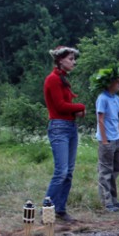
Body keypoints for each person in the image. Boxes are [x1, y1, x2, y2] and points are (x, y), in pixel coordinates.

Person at [44, 46, 85, 223]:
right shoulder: (53, 79)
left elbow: (64, 107)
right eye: (70, 59)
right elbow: (59, 106)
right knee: (61, 171)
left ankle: (60, 209)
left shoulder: (62, 80)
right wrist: (80, 107)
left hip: (69, 126)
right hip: (59, 127)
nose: (73, 62)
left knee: (68, 172)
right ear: (60, 60)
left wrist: (75, 112)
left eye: (74, 59)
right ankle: (46, 211)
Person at [92, 61, 119, 212]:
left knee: (115, 170)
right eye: (117, 82)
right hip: (106, 140)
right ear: (110, 83)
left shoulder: (116, 98)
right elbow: (100, 119)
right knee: (105, 171)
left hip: (116, 139)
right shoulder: (103, 98)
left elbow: (116, 119)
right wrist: (104, 140)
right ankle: (107, 203)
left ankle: (114, 199)